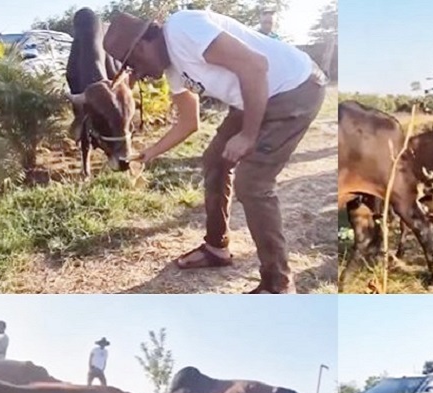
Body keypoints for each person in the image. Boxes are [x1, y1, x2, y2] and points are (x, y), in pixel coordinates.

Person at [103, 9, 327, 294]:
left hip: (294, 89)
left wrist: (248, 134)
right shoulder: (173, 69)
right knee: (215, 160)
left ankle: (277, 284)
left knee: (253, 183)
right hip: (254, 96)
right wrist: (150, 152)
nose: (141, 74)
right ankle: (216, 247)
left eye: (134, 63)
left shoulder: (183, 29)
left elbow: (255, 66)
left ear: (144, 43)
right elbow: (188, 123)